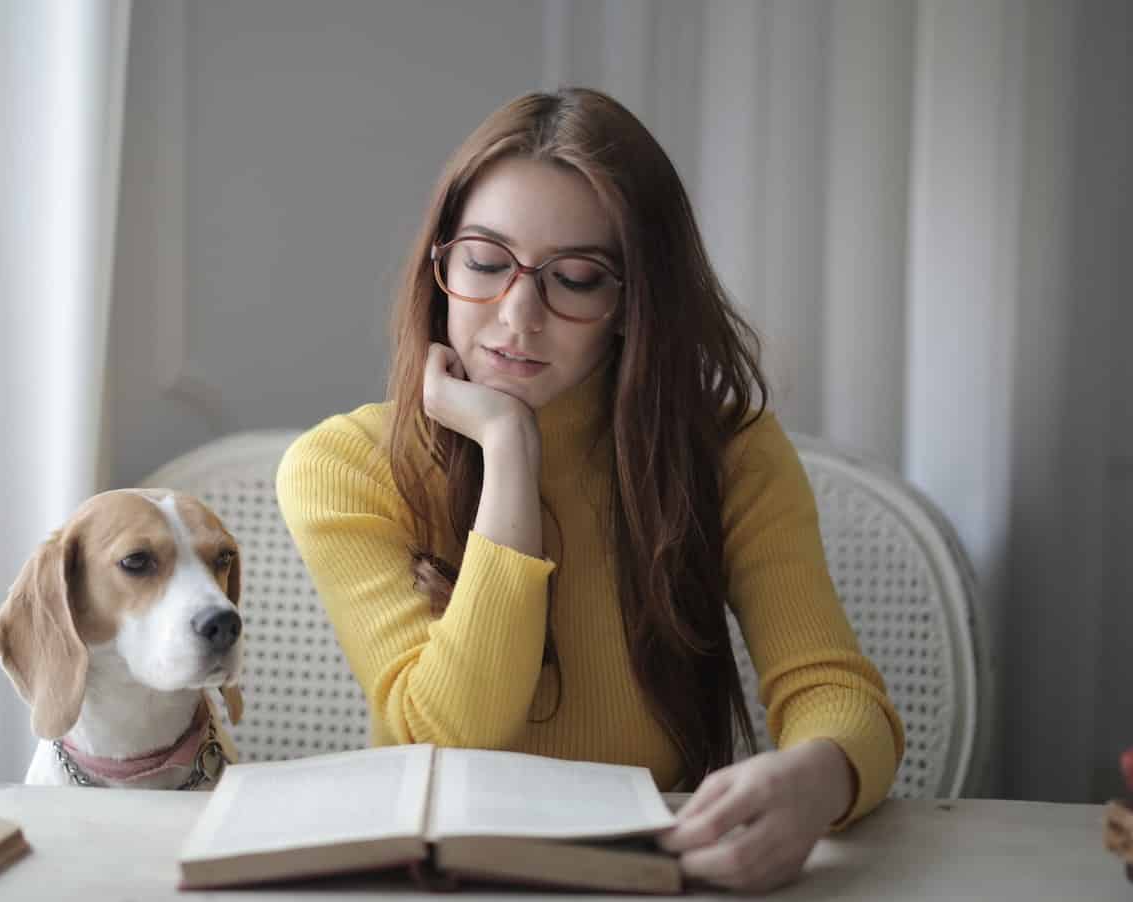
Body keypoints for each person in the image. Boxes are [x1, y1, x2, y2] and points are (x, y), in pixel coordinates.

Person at [277, 87, 903, 893]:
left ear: (631, 300)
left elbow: (832, 688)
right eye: (484, 261)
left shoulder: (728, 454)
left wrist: (818, 781)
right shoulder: (345, 465)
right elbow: (443, 734)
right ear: (440, 265)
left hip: (653, 874)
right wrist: (508, 448)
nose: (517, 313)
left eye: (575, 278)